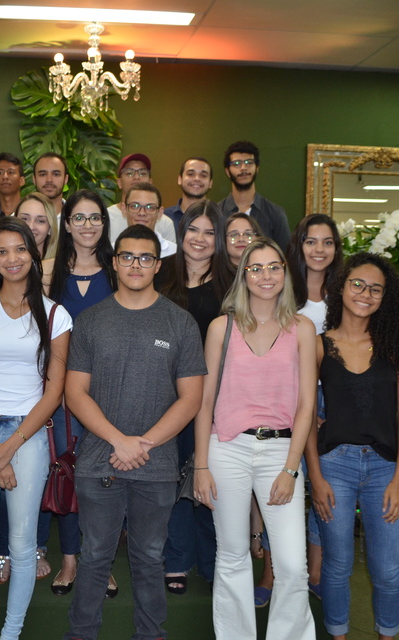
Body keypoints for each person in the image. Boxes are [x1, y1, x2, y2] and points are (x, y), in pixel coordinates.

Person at [63, 224, 206, 640]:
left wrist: (142, 443)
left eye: (146, 257)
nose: (136, 264)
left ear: (158, 265)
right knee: (93, 558)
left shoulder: (180, 323)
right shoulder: (90, 321)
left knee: (148, 558)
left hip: (157, 465)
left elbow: (191, 399)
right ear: (114, 262)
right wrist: (119, 440)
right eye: (127, 256)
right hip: (98, 462)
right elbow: (75, 392)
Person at [193, 238, 317, 639]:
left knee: (292, 564)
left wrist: (291, 469)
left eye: (274, 267)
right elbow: (204, 401)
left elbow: (306, 406)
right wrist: (201, 466)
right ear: (243, 275)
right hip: (226, 449)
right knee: (231, 556)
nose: (266, 276)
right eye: (256, 268)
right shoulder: (220, 327)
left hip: (281, 450)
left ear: (285, 272)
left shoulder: (302, 328)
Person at [0, 216, 72, 640]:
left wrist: (11, 447)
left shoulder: (56, 316)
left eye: (19, 249)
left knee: (24, 547)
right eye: (1, 251)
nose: (11, 258)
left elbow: (54, 390)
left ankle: (11, 632)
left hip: (28, 432)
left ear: (34, 254)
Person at [306, 252, 399, 640]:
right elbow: (304, 416)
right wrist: (316, 478)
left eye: (376, 288)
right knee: (337, 565)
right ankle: (338, 634)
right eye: (358, 284)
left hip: (385, 468)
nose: (365, 294)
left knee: (387, 568)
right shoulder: (319, 346)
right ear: (341, 288)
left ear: (386, 297)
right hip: (334, 464)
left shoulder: (398, 346)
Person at [254, 213, 343, 604]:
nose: (319, 250)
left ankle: (315, 572)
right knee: (282, 485)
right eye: (311, 241)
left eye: (327, 242)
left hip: (335, 401)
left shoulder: (344, 295)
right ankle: (271, 574)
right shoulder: (282, 291)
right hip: (288, 401)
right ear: (299, 246)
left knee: (323, 487)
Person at [155, 199, 234, 593]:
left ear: (219, 240)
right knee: (171, 479)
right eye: (193, 230)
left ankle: (213, 560)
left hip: (216, 398)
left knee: (206, 476)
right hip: (164, 394)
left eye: (209, 232)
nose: (200, 239)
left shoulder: (231, 283)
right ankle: (177, 560)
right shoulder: (161, 273)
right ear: (181, 233)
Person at [42, 189, 117, 596]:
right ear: (66, 224)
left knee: (104, 477)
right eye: (79, 218)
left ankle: (99, 562)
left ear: (104, 224)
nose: (87, 225)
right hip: (62, 395)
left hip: (111, 392)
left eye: (95, 217)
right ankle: (70, 559)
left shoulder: (118, 269)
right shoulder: (47, 271)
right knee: (67, 473)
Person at [217, 141, 290, 249]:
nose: (243, 168)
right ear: (227, 171)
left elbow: (285, 257)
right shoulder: (216, 213)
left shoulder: (275, 214)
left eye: (249, 162)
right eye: (237, 163)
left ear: (257, 168)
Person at [106, 153, 177, 245]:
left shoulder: (165, 222)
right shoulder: (105, 217)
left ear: (150, 182)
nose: (136, 177)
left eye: (142, 173)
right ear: (119, 182)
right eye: (129, 173)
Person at [120, 182, 176, 258]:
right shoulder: (110, 251)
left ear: (160, 213)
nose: (142, 213)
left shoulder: (174, 253)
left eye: (150, 207)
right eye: (135, 206)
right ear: (124, 209)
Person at [163, 157, 215, 233]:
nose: (197, 178)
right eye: (190, 174)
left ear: (210, 183)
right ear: (180, 179)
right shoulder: (163, 218)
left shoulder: (220, 219)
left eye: (203, 175)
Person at [17, 191, 59, 260]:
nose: (31, 227)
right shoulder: (1, 265)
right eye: (24, 219)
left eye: (40, 221)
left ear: (50, 228)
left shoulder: (60, 268)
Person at [0, 152, 26, 217]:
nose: (5, 177)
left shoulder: (29, 211)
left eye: (11, 172)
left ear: (21, 181)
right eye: (0, 173)